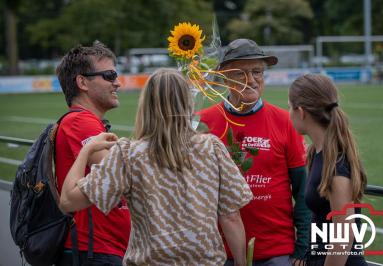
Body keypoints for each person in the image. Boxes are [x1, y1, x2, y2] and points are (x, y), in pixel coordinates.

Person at [59, 68, 253, 266]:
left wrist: (86, 151)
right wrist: (241, 262)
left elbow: (68, 201)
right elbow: (231, 217)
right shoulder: (212, 147)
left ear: (147, 105)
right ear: (187, 103)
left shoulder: (128, 154)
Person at [199, 38, 311, 265]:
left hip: (276, 251)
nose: (251, 80)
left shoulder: (285, 122)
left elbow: (303, 192)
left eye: (257, 72)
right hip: (217, 251)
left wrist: (303, 248)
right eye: (240, 73)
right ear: (223, 76)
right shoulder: (203, 123)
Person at [55, 41, 131, 265]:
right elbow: (123, 173)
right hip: (95, 251)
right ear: (82, 82)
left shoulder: (89, 122)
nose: (117, 83)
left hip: (101, 250)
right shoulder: (81, 121)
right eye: (109, 75)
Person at [288, 74, 367, 266]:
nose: (288, 112)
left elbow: (343, 238)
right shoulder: (318, 152)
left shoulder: (335, 166)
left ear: (301, 111)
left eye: (289, 106)